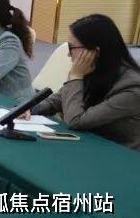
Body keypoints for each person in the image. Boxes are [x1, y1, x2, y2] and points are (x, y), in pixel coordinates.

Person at [31, 14, 140, 150]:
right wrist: (29, 109)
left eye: (71, 47)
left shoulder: (132, 88)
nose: (68, 54)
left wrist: (76, 77)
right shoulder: (95, 70)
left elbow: (76, 121)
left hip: (119, 154)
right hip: (90, 146)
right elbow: (57, 100)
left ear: (95, 52)